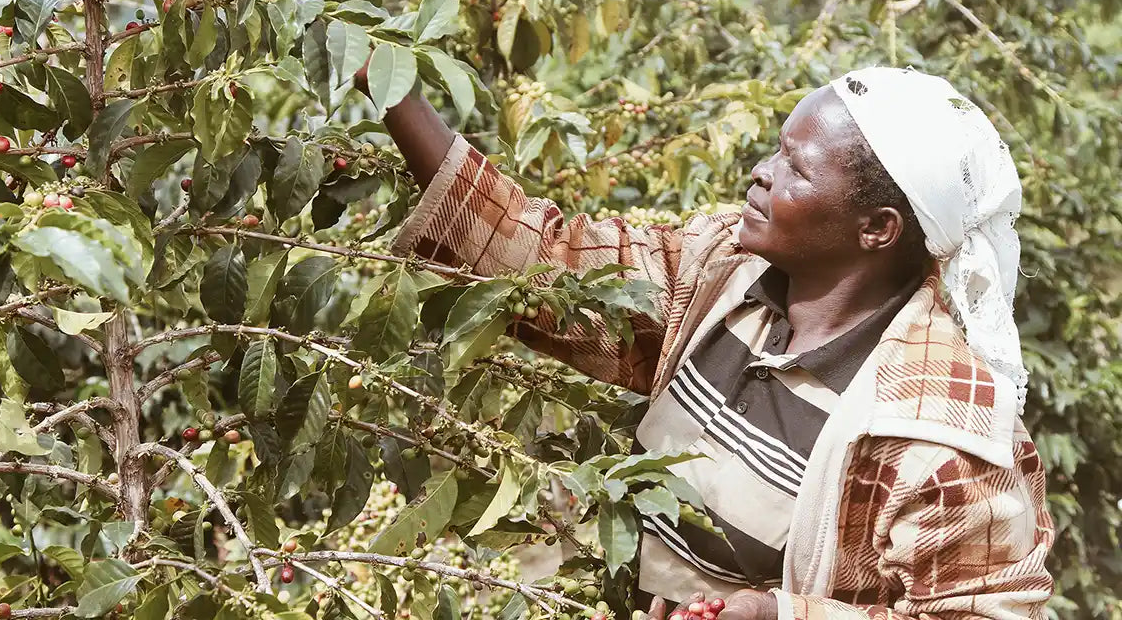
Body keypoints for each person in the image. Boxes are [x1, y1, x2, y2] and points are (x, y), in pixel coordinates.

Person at [363, 65, 1054, 620]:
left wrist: (778, 612)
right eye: (774, 150)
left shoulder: (938, 431)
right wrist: (392, 87)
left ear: (876, 229)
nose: (761, 171)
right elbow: (544, 263)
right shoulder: (721, 272)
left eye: (795, 167)